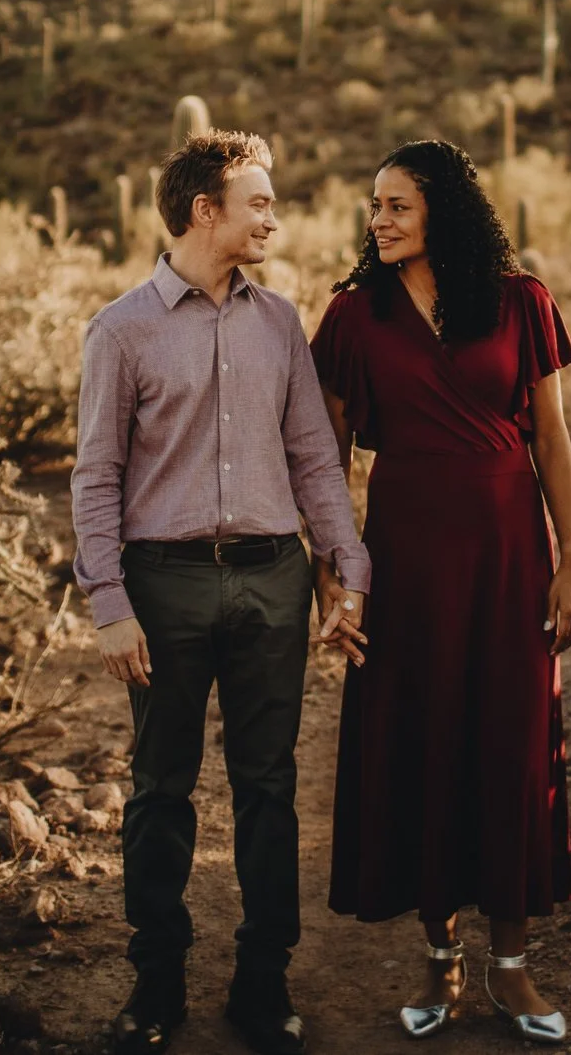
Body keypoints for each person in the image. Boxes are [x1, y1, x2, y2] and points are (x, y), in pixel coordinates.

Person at [72, 129, 373, 1055]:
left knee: (268, 786)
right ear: (206, 210)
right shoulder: (121, 329)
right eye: (258, 202)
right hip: (163, 587)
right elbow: (95, 476)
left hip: (271, 579)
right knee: (160, 789)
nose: (272, 216)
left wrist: (345, 569)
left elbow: (316, 457)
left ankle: (263, 983)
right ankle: (156, 985)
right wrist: (110, 603)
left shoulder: (280, 323)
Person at [314, 139, 571, 1045]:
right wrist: (336, 577)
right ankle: (441, 958)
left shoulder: (520, 300)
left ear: (444, 212)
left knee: (509, 739)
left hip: (511, 554)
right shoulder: (356, 315)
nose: (378, 219)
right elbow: (327, 458)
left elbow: (550, 437)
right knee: (426, 736)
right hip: (408, 559)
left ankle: (511, 967)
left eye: (396, 205)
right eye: (375, 205)